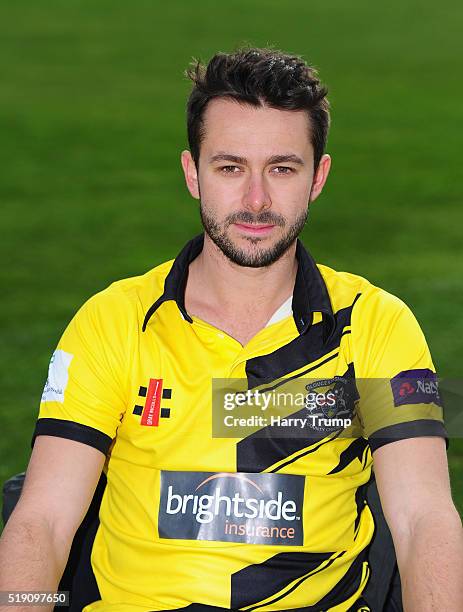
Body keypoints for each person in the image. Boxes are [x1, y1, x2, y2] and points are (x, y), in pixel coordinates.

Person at [0, 47, 462, 612]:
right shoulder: (114, 319)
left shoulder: (375, 323)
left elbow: (424, 522)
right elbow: (42, 523)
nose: (256, 200)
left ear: (318, 177)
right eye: (230, 167)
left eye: (282, 168)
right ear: (193, 173)